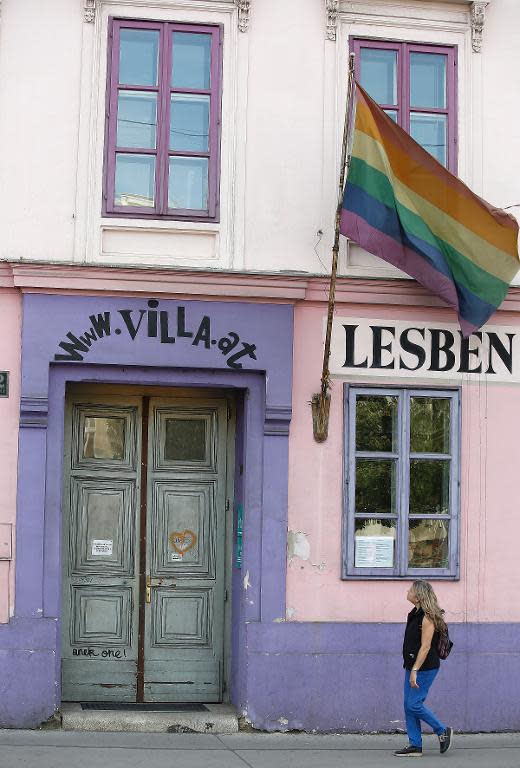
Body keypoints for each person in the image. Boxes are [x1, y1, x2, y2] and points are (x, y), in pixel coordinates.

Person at [394, 580, 453, 757]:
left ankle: (442, 730)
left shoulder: (427, 617)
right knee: (408, 706)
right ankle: (415, 745)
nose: (408, 591)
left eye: (411, 589)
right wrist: (411, 667)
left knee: (414, 704)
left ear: (418, 596)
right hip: (413, 665)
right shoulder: (414, 613)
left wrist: (415, 671)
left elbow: (426, 647)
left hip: (424, 668)